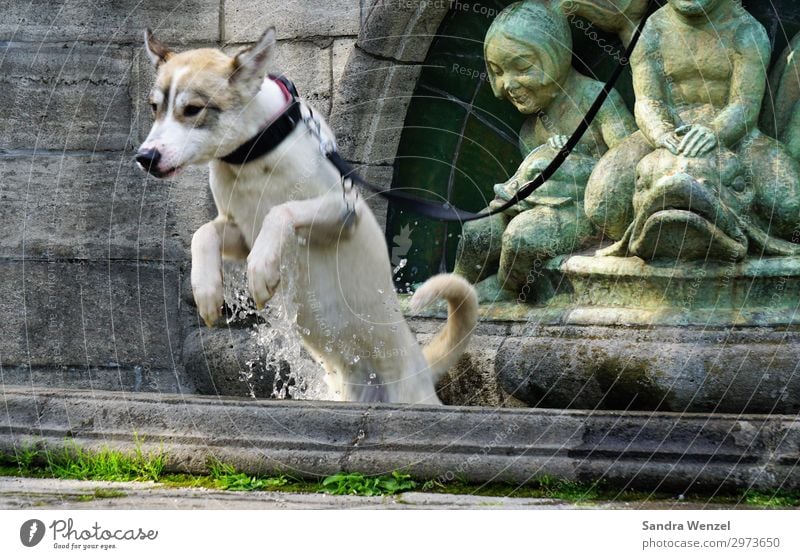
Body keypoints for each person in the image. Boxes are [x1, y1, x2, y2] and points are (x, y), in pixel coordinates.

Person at [453, 1, 636, 301]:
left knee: (521, 237)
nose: (507, 85)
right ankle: (454, 286)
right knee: (479, 230)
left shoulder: (599, 100)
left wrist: (573, 163)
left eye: (522, 68)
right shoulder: (532, 128)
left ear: (556, 56)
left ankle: (507, 288)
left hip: (584, 211)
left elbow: (628, 161)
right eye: (498, 72)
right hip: (533, 203)